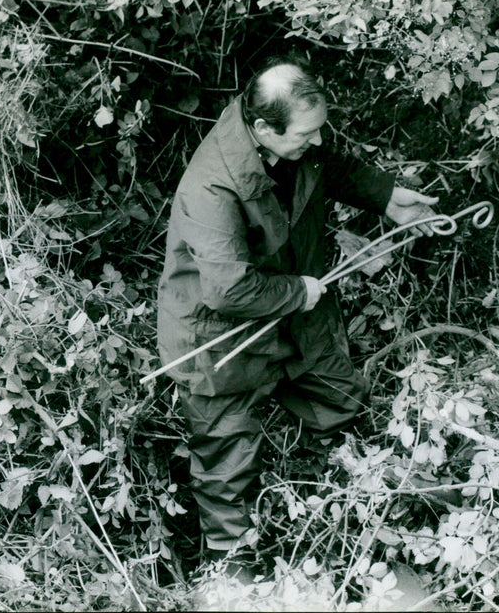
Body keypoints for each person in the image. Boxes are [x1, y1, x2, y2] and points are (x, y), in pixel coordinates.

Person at [156, 54, 439, 578]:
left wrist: (387, 198)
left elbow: (327, 165)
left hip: (294, 311)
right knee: (225, 457)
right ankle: (230, 565)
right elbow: (229, 289)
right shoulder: (212, 185)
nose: (316, 140)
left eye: (318, 130)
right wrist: (297, 293)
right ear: (263, 127)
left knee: (341, 402)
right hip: (219, 336)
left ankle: (365, 505)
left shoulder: (294, 143)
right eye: (306, 133)